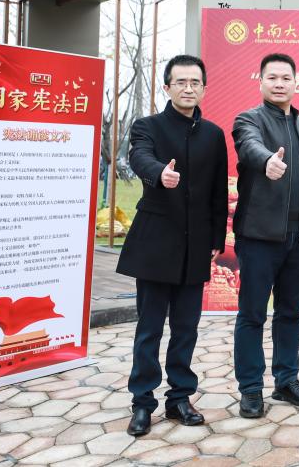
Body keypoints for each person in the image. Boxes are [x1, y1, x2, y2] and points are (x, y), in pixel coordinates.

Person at [117, 54, 228, 437]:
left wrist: (217, 238)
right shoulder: (147, 126)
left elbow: (218, 192)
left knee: (186, 328)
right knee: (149, 328)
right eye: (180, 82)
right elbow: (139, 156)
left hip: (195, 246)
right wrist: (158, 173)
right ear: (167, 87)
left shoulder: (213, 134)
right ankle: (142, 402)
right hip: (155, 244)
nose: (188, 88)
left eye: (195, 82)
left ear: (203, 88)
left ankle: (180, 398)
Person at [231, 52, 299, 419]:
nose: (279, 84)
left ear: (296, 82)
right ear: (260, 81)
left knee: (290, 314)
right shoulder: (248, 120)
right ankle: (250, 388)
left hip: (298, 241)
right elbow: (249, 145)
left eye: (286, 78)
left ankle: (286, 380)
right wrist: (267, 160)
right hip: (258, 237)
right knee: (252, 315)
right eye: (272, 77)